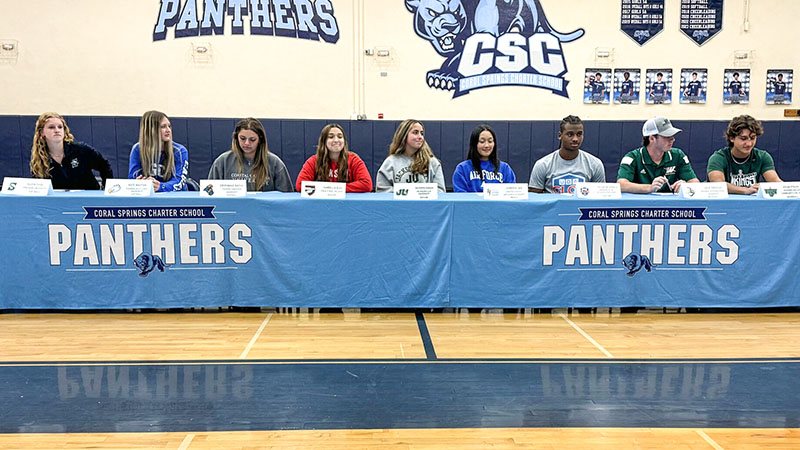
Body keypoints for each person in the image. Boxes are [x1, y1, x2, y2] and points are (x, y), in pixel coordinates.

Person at [29, 112, 112, 190]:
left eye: (60, 127)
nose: (57, 130)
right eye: (51, 127)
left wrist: (106, 190)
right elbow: (39, 188)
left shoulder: (81, 150)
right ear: (42, 132)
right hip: (60, 202)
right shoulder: (40, 159)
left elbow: (105, 166)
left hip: (88, 200)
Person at [617, 117, 699, 194]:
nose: (673, 139)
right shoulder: (632, 157)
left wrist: (686, 186)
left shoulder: (678, 155)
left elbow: (695, 182)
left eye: (672, 135)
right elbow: (621, 185)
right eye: (667, 136)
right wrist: (649, 188)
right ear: (652, 138)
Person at [208, 117, 292, 192]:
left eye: (252, 139)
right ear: (236, 138)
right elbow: (209, 192)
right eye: (242, 138)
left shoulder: (275, 163)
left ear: (260, 140)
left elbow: (286, 197)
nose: (247, 143)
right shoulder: (222, 162)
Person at [529, 115, 605, 194]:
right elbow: (535, 201)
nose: (575, 139)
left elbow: (600, 199)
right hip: (555, 207)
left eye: (579, 134)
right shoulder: (543, 165)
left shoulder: (595, 164)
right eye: (570, 134)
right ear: (559, 135)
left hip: (581, 206)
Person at [707, 115, 782, 195]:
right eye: (743, 138)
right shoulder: (718, 158)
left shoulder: (763, 156)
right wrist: (745, 190)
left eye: (752, 138)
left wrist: (764, 187)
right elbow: (718, 185)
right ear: (731, 138)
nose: (749, 144)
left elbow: (776, 182)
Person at [295, 123, 372, 192]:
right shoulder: (313, 161)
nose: (336, 140)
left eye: (340, 137)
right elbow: (300, 185)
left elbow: (367, 184)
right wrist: (332, 189)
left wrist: (335, 189)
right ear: (324, 141)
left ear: (344, 141)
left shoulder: (354, 160)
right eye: (331, 137)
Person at [376, 119, 446, 192]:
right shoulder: (390, 162)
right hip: (399, 203)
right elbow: (382, 191)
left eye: (422, 133)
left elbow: (440, 191)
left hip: (425, 203)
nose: (420, 137)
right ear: (404, 135)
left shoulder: (432, 162)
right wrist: (407, 193)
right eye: (415, 132)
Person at [128, 110, 189, 192]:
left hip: (174, 198)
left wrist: (160, 186)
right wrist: (140, 183)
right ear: (151, 130)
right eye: (163, 127)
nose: (168, 130)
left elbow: (179, 182)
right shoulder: (138, 149)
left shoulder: (180, 151)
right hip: (149, 198)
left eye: (169, 126)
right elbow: (132, 178)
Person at [452, 125, 516, 192]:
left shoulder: (505, 168)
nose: (486, 145)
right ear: (474, 144)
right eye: (482, 142)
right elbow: (461, 196)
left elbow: (510, 195)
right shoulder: (462, 169)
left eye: (490, 141)